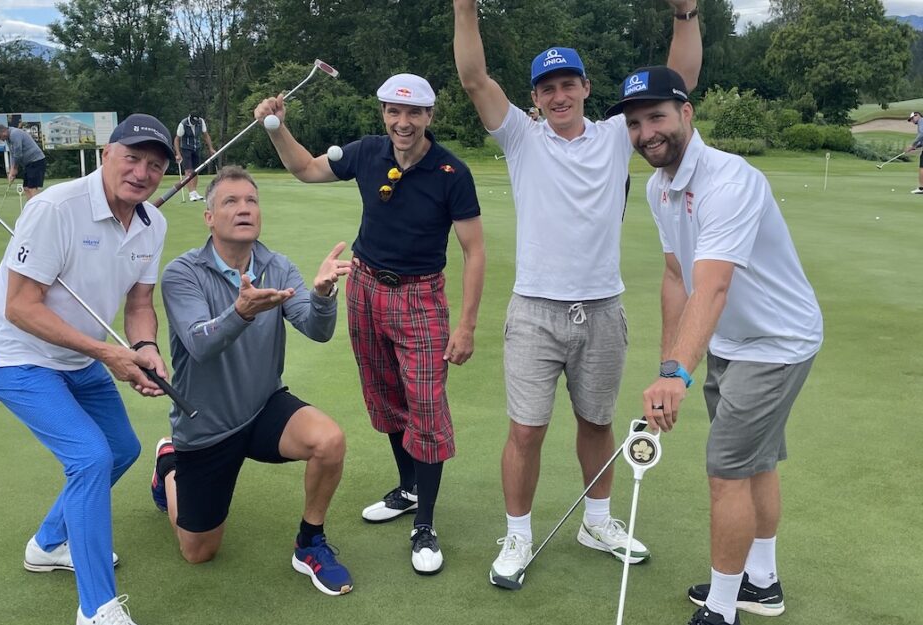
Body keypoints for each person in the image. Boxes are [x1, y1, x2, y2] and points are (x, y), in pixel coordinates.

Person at [452, 0, 701, 588]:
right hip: (535, 311)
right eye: (547, 88)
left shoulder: (619, 134)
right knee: (526, 430)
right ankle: (517, 535)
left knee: (596, 423)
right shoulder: (521, 136)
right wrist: (466, 9)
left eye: (568, 84)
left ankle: (597, 522)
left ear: (586, 87)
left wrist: (685, 14)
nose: (558, 96)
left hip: (602, 309)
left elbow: (681, 80)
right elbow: (472, 78)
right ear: (534, 97)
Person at [606, 65, 823, 625]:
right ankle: (762, 583)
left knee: (726, 469)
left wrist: (677, 375)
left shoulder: (731, 181)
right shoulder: (659, 187)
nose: (646, 132)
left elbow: (715, 283)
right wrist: (666, 365)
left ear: (686, 114)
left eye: (656, 116)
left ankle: (722, 610)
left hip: (776, 341)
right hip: (730, 340)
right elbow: (677, 277)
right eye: (634, 123)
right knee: (755, 463)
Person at [252, 73, 486, 575]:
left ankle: (425, 522)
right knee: (385, 396)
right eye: (393, 112)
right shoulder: (365, 152)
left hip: (421, 296)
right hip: (365, 288)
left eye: (414, 113)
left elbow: (474, 250)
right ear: (383, 113)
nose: (403, 123)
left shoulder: (452, 171)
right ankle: (407, 487)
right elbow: (306, 169)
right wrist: (275, 128)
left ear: (429, 116)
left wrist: (466, 326)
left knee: (425, 405)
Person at [0, 114, 176, 625]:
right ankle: (97, 610)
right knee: (89, 457)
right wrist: (109, 354)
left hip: (76, 356)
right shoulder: (54, 208)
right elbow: (20, 305)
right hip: (11, 355)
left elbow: (139, 302)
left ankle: (47, 544)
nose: (141, 172)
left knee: (122, 450)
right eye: (132, 157)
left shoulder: (153, 221)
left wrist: (144, 345)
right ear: (108, 153)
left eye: (154, 164)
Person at [151, 166, 354, 596]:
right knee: (199, 551)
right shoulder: (182, 273)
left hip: (263, 408)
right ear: (208, 217)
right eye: (230, 202)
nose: (244, 209)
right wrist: (241, 311)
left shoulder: (277, 266)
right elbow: (200, 344)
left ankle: (310, 542)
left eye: (251, 201)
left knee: (329, 440)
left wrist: (321, 296)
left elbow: (316, 330)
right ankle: (168, 467)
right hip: (205, 426)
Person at [0, 123, 48, 199]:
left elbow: (18, 154)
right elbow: (12, 154)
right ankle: (30, 209)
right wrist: (11, 171)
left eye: (0, 136)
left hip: (36, 161)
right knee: (26, 188)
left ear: (3, 131)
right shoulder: (8, 138)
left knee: (32, 188)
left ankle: (39, 209)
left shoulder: (15, 134)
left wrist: (14, 169)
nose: (1, 139)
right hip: (29, 164)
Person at [174, 114, 217, 201]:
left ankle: (195, 191)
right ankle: (191, 193)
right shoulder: (183, 124)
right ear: (190, 118)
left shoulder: (201, 122)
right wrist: (178, 153)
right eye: (193, 122)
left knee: (195, 170)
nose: (194, 123)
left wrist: (211, 148)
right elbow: (177, 139)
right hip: (186, 148)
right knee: (188, 170)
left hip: (197, 148)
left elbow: (206, 135)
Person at [905, 111, 923, 194]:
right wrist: (915, 147)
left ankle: (921, 188)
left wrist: (912, 144)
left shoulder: (921, 121)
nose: (912, 121)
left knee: (922, 168)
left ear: (917, 115)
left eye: (912, 118)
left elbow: (921, 134)